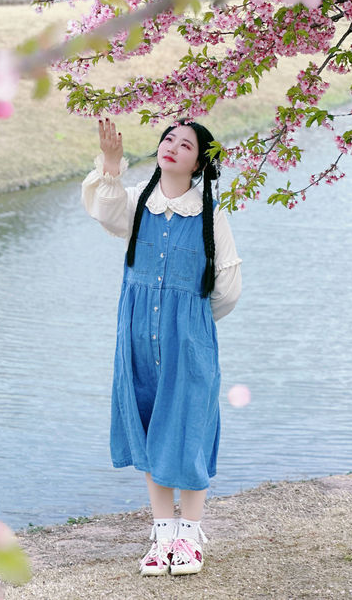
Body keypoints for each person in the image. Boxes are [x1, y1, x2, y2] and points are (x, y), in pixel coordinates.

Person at [82, 117, 242, 577]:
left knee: (189, 425)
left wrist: (188, 324)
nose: (171, 146)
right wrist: (111, 164)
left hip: (187, 338)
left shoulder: (211, 214)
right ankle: (161, 531)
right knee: (150, 422)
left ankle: (188, 536)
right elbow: (105, 213)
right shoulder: (138, 202)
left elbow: (227, 288)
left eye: (185, 144)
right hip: (136, 332)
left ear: (200, 162)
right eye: (167, 138)